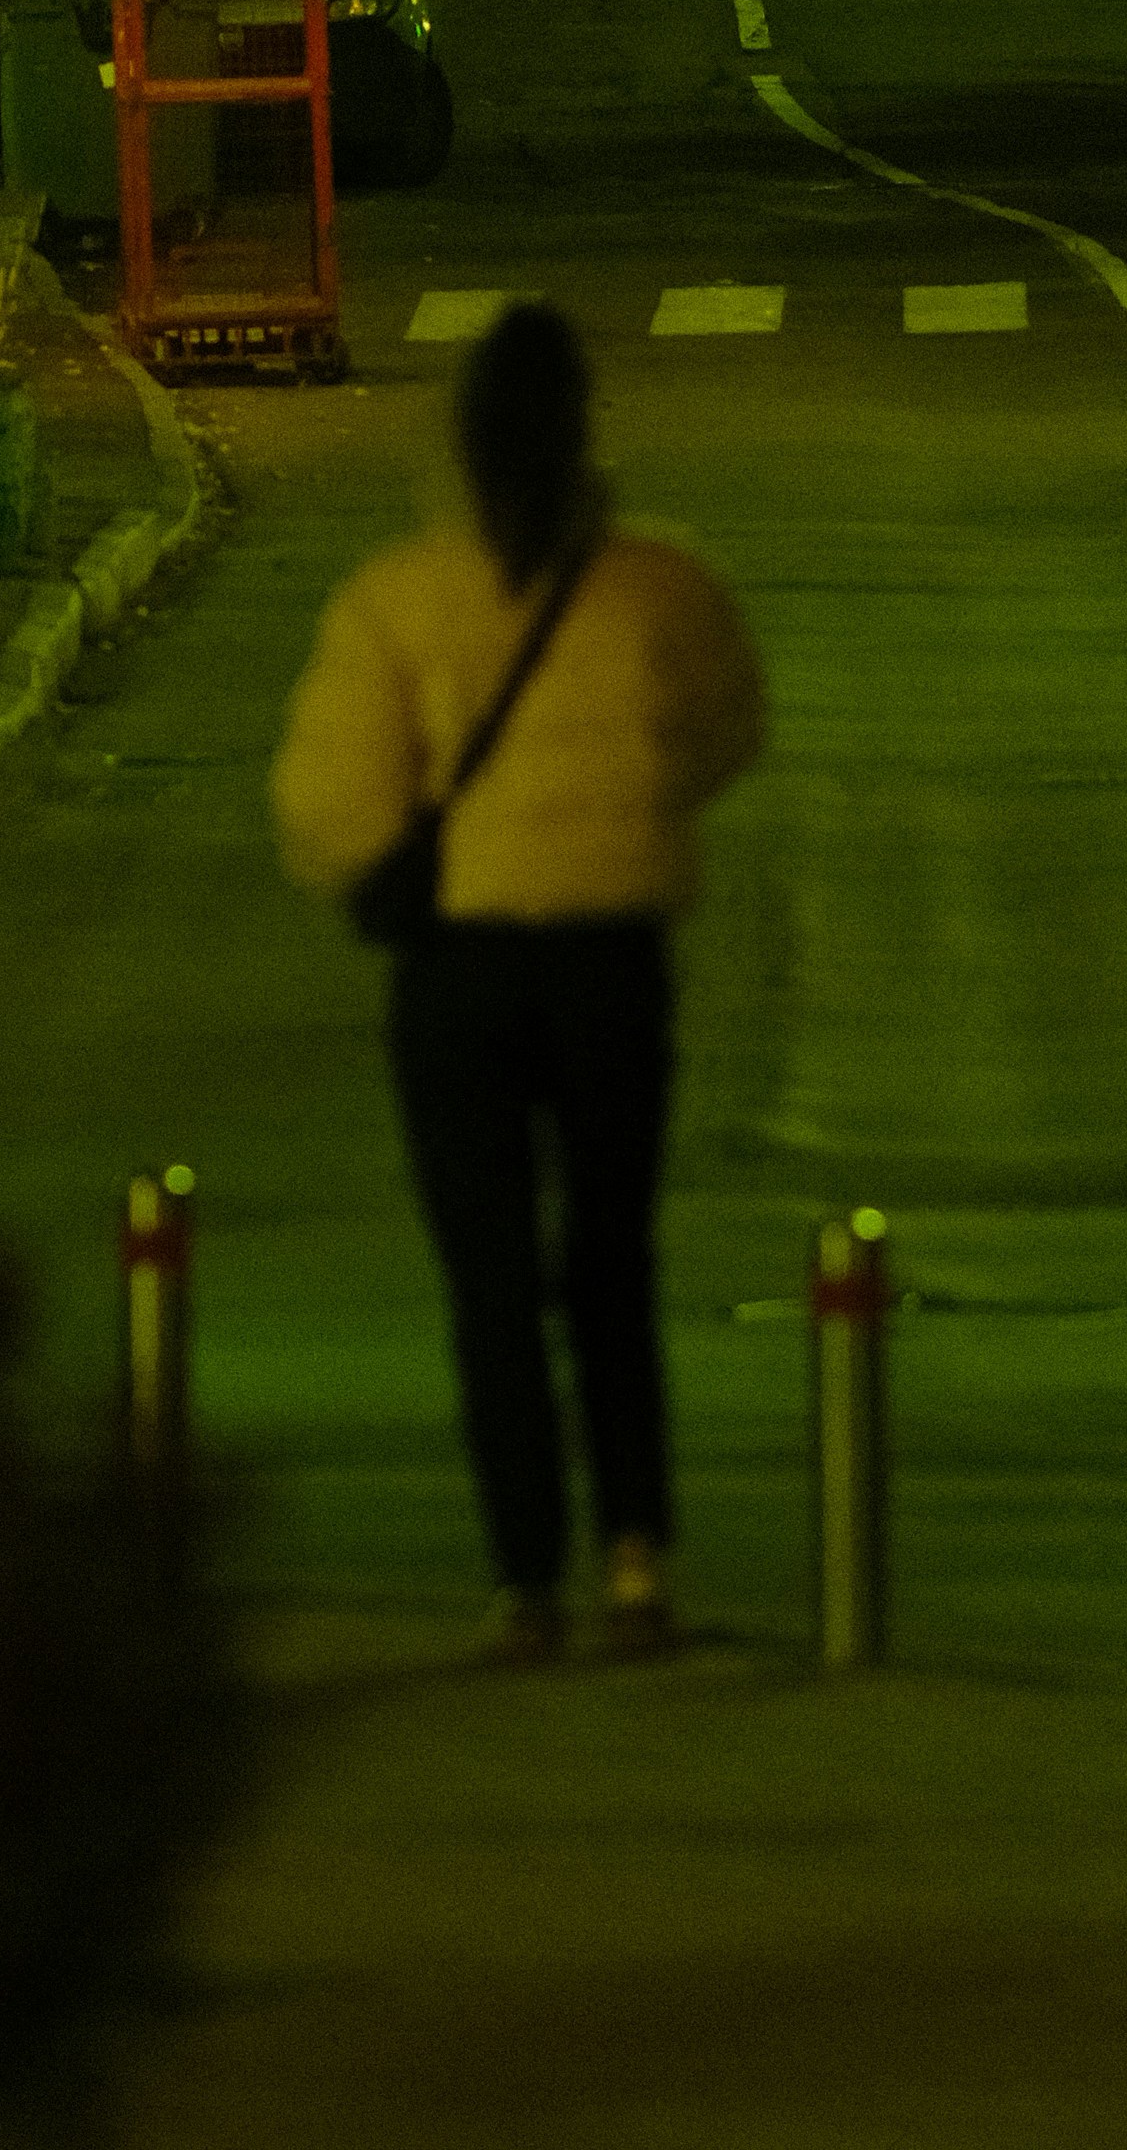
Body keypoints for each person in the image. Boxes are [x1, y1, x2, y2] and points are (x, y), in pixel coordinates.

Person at [269, 298, 768, 1664]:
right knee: (610, 1261)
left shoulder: (400, 601)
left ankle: (524, 1579)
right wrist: (629, 811)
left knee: (487, 1275)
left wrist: (424, 858)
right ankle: (637, 1562)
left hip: (464, 973)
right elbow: (727, 729)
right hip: (614, 956)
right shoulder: (662, 587)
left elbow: (331, 804)